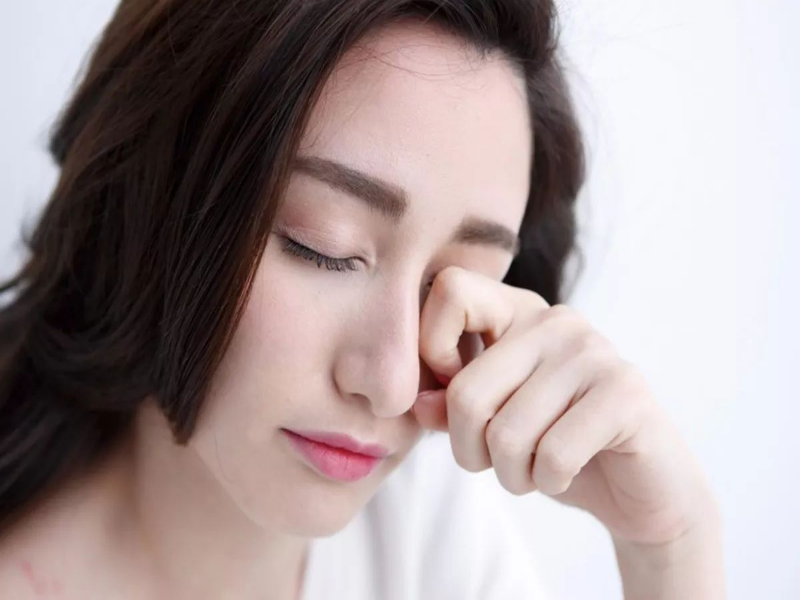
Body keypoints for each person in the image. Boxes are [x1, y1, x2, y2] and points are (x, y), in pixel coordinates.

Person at [0, 0, 725, 598]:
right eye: (324, 247)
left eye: (461, 284)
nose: (393, 384)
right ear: (148, 200)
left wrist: (669, 549)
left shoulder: (422, 529)